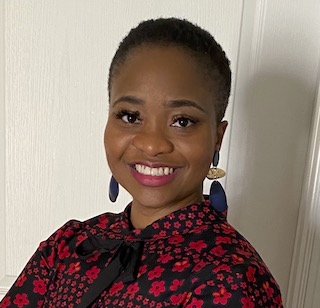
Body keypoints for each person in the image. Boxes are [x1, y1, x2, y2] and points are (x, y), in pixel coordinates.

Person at [0, 18, 283, 307]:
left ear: (217, 138)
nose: (151, 144)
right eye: (130, 116)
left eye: (182, 121)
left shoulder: (231, 279)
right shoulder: (70, 245)